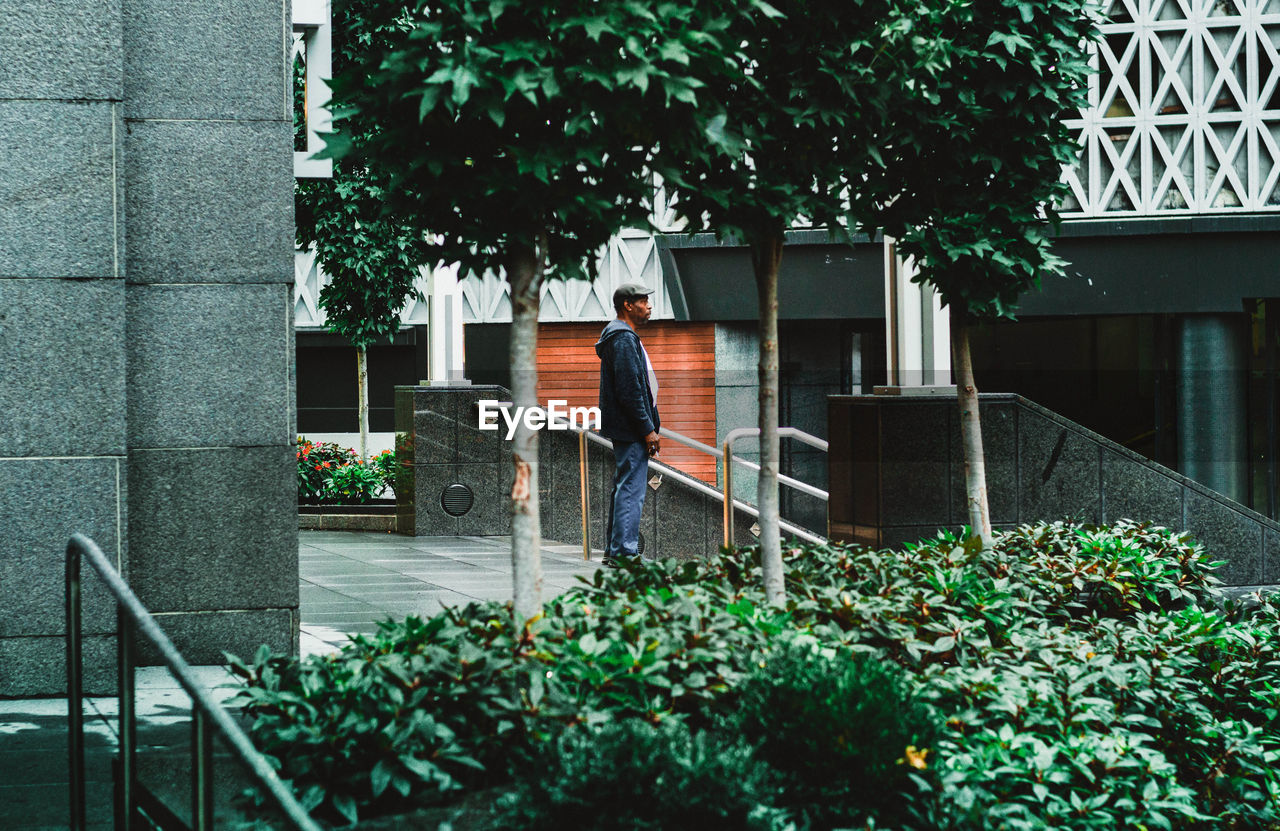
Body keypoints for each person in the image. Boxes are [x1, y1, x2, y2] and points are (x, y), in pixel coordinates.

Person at [596, 283, 661, 566]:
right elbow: (630, 388)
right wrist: (647, 429)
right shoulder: (622, 338)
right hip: (631, 428)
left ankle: (616, 550)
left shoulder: (621, 336)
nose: (649, 307)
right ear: (628, 305)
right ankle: (623, 552)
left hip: (627, 426)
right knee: (632, 490)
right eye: (644, 302)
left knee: (625, 486)